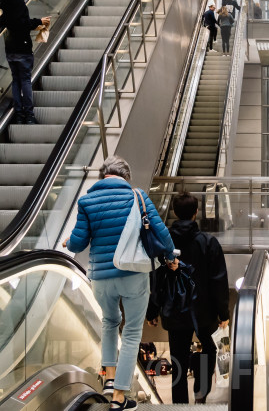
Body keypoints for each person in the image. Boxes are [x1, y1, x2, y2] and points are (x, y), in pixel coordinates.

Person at [64, 157, 176, 411]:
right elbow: (163, 235)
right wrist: (170, 258)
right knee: (132, 332)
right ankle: (119, 397)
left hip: (101, 279)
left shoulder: (86, 201)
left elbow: (77, 243)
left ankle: (109, 379)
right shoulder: (137, 197)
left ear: (104, 176)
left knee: (109, 323)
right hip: (133, 275)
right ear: (126, 177)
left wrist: (68, 242)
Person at [162, 192, 231, 403]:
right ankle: (201, 395)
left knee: (178, 360)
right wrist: (223, 313)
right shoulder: (208, 242)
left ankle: (179, 405)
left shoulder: (164, 243)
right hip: (204, 311)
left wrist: (153, 309)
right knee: (209, 349)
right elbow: (218, 279)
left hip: (174, 309)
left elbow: (156, 277)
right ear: (196, 213)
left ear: (174, 212)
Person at [0, 0, 50, 124]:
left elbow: (14, 13)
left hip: (10, 49)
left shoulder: (5, 3)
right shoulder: (18, 4)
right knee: (26, 81)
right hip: (23, 48)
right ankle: (29, 115)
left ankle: (19, 115)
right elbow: (22, 22)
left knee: (16, 81)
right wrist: (39, 21)